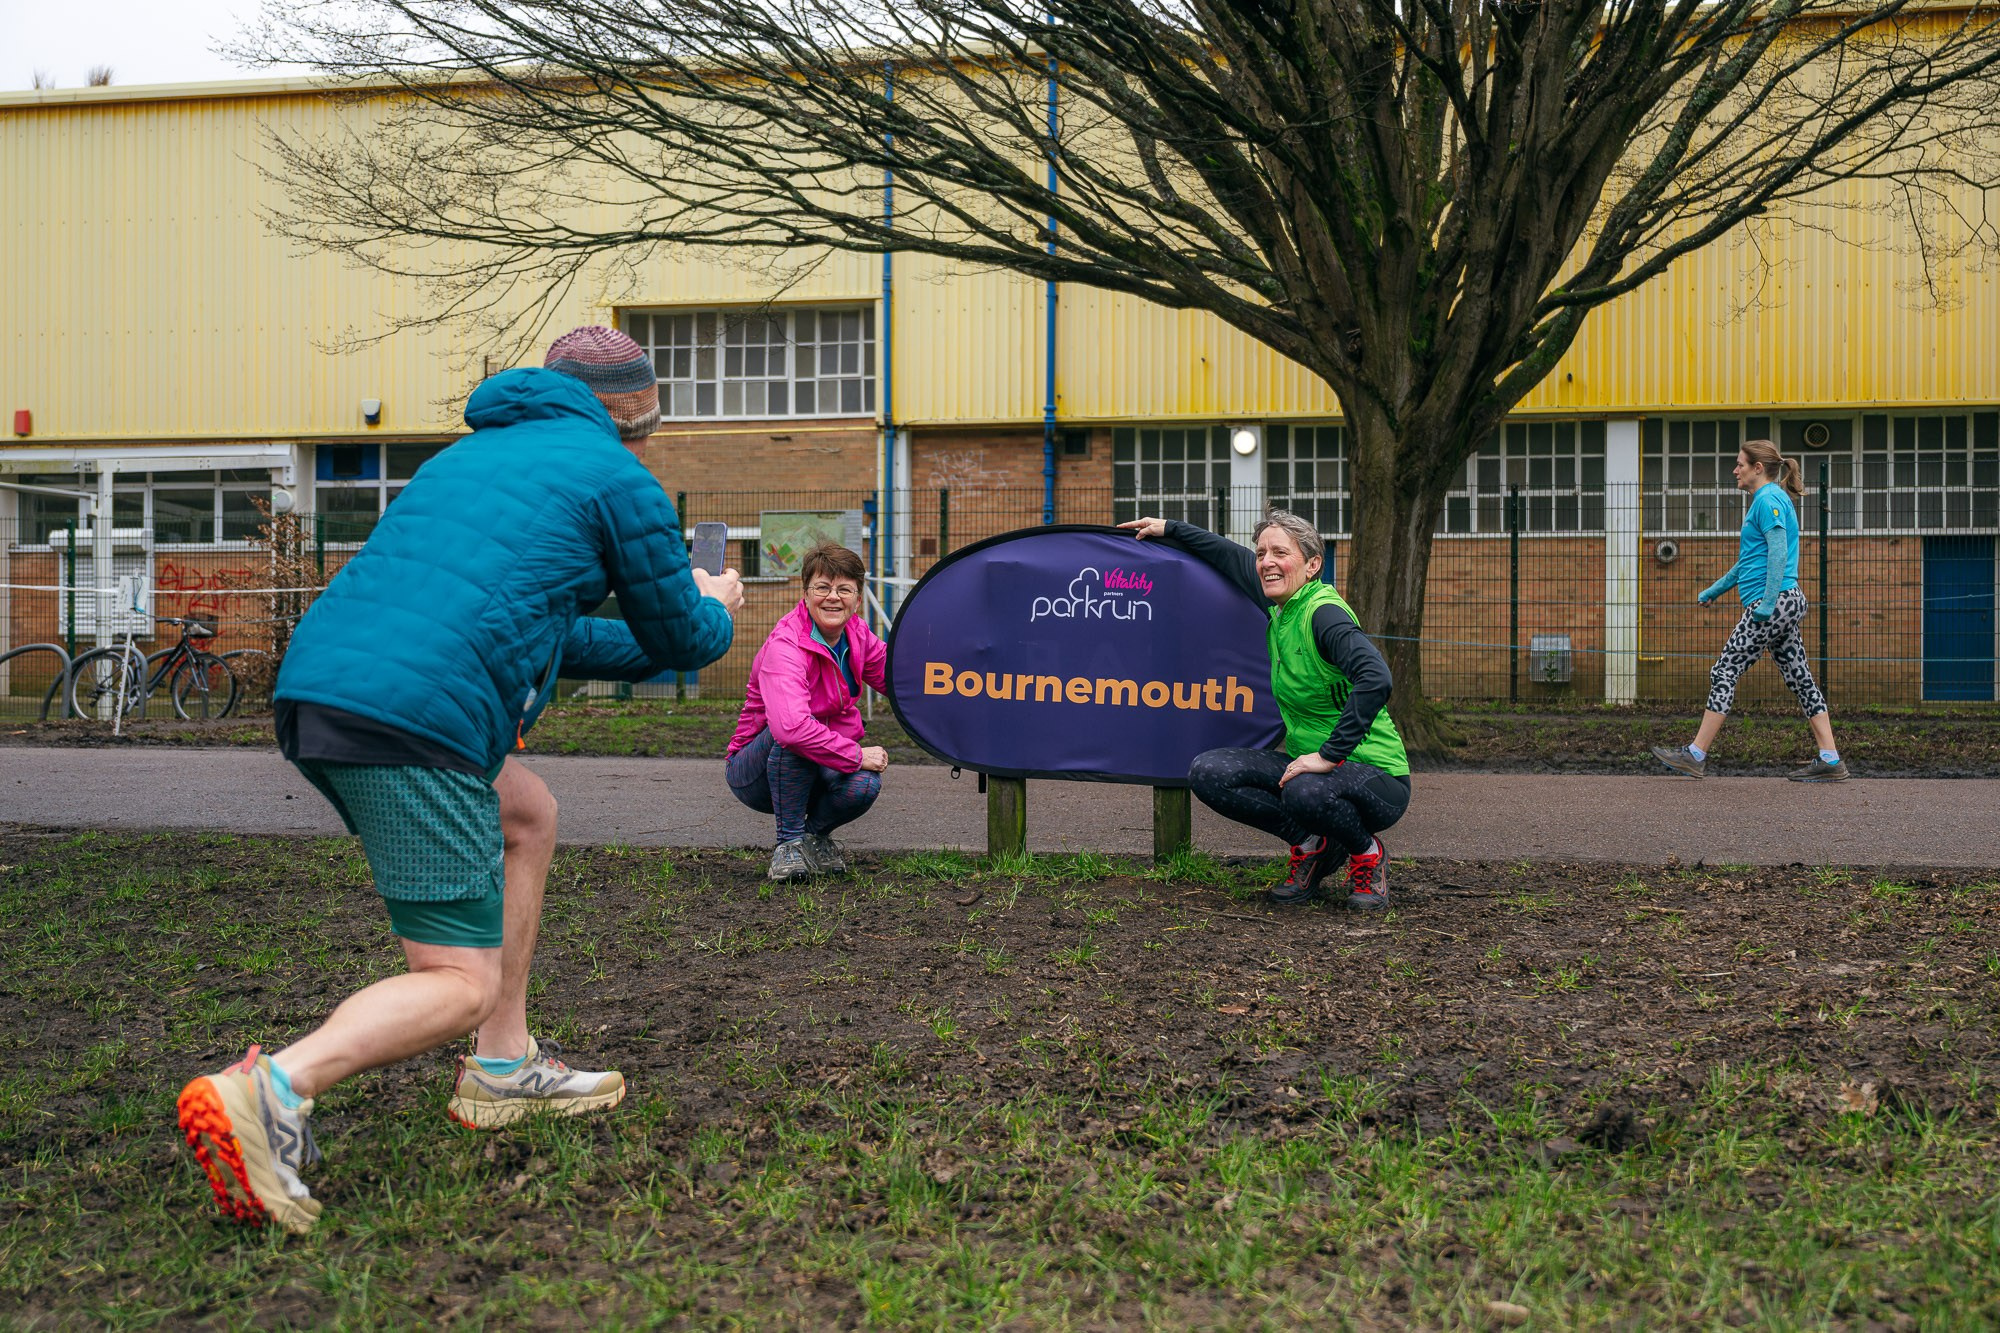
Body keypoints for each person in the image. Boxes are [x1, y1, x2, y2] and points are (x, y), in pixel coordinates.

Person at [176, 326, 743, 1234]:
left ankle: (504, 1068)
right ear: (632, 418)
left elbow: (545, 629)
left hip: (329, 686)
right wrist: (714, 604)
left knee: (528, 812)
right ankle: (270, 1090)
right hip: (417, 718)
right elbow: (682, 640)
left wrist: (667, 625)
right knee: (457, 981)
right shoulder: (617, 479)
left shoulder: (466, 459)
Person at [1121, 509, 1411, 908]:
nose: (1266, 562)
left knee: (1303, 792)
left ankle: (1366, 853)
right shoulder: (1282, 604)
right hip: (1308, 771)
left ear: (1312, 565)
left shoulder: (1323, 614)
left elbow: (1376, 678)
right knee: (1209, 773)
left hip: (1376, 777)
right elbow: (1229, 556)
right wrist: (1170, 528)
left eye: (1279, 552)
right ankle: (1313, 845)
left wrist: (1329, 756)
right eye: (1261, 553)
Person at [1650, 439, 1847, 782]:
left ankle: (1695, 755)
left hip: (1774, 603)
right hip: (1784, 603)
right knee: (1800, 679)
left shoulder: (1768, 498)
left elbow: (1777, 552)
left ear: (1758, 468)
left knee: (1724, 669)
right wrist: (1714, 590)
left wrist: (1767, 603)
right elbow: (1747, 563)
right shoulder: (1767, 500)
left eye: (1740, 464)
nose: (1735, 470)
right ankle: (1830, 759)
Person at [726, 542, 889, 880]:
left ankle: (813, 838)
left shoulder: (857, 635)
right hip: (758, 768)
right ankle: (787, 845)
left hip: (822, 760)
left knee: (864, 786)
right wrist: (856, 755)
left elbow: (903, 680)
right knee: (795, 738)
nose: (833, 597)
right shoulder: (785, 645)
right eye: (822, 587)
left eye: (844, 589)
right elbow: (789, 729)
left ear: (858, 600)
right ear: (805, 594)